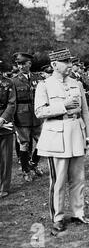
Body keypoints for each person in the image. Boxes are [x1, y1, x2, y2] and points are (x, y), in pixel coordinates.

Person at [34, 48, 89, 232]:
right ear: (54, 65)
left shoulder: (76, 83)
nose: (70, 65)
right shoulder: (44, 85)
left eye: (70, 61)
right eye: (66, 62)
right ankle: (58, 217)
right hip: (56, 137)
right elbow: (39, 112)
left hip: (76, 133)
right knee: (58, 180)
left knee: (78, 178)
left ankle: (78, 213)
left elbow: (84, 111)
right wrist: (63, 106)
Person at [12, 52, 44, 181]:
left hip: (36, 115)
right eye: (18, 64)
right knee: (24, 144)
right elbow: (12, 101)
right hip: (22, 116)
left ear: (29, 64)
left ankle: (34, 164)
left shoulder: (38, 78)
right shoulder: (13, 81)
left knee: (42, 141)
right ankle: (26, 171)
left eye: (23, 63)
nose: (20, 66)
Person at [0, 60, 16, 198]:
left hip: (5, 125)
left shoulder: (8, 83)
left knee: (5, 158)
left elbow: (11, 103)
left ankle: (4, 186)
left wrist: (2, 119)